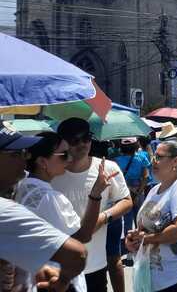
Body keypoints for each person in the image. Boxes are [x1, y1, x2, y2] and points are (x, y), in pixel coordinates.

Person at [15, 132, 117, 292]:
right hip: (56, 279)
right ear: (42, 161)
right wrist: (96, 194)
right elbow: (83, 235)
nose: (70, 159)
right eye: (63, 155)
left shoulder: (21, 187)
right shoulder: (49, 198)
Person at [0, 128, 88, 291]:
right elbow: (77, 253)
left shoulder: (20, 189)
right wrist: (62, 282)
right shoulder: (7, 209)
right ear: (43, 162)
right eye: (16, 154)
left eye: (25, 153)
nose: (25, 160)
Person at [51, 118, 132, 292]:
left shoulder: (107, 167)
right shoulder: (53, 172)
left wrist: (104, 217)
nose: (82, 144)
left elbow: (126, 201)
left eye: (86, 138)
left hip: (96, 263)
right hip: (61, 266)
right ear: (63, 143)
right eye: (74, 140)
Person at [125, 140, 177, 291]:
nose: (154, 160)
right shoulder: (155, 189)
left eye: (160, 157)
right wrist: (134, 239)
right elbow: (146, 226)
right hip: (153, 276)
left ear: (176, 161)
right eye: (154, 156)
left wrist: (145, 239)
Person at [113, 137, 150, 237]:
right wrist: (138, 192)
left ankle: (128, 239)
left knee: (127, 218)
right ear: (135, 145)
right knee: (140, 218)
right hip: (139, 190)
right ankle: (141, 238)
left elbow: (115, 179)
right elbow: (146, 177)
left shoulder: (116, 160)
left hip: (124, 193)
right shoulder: (142, 158)